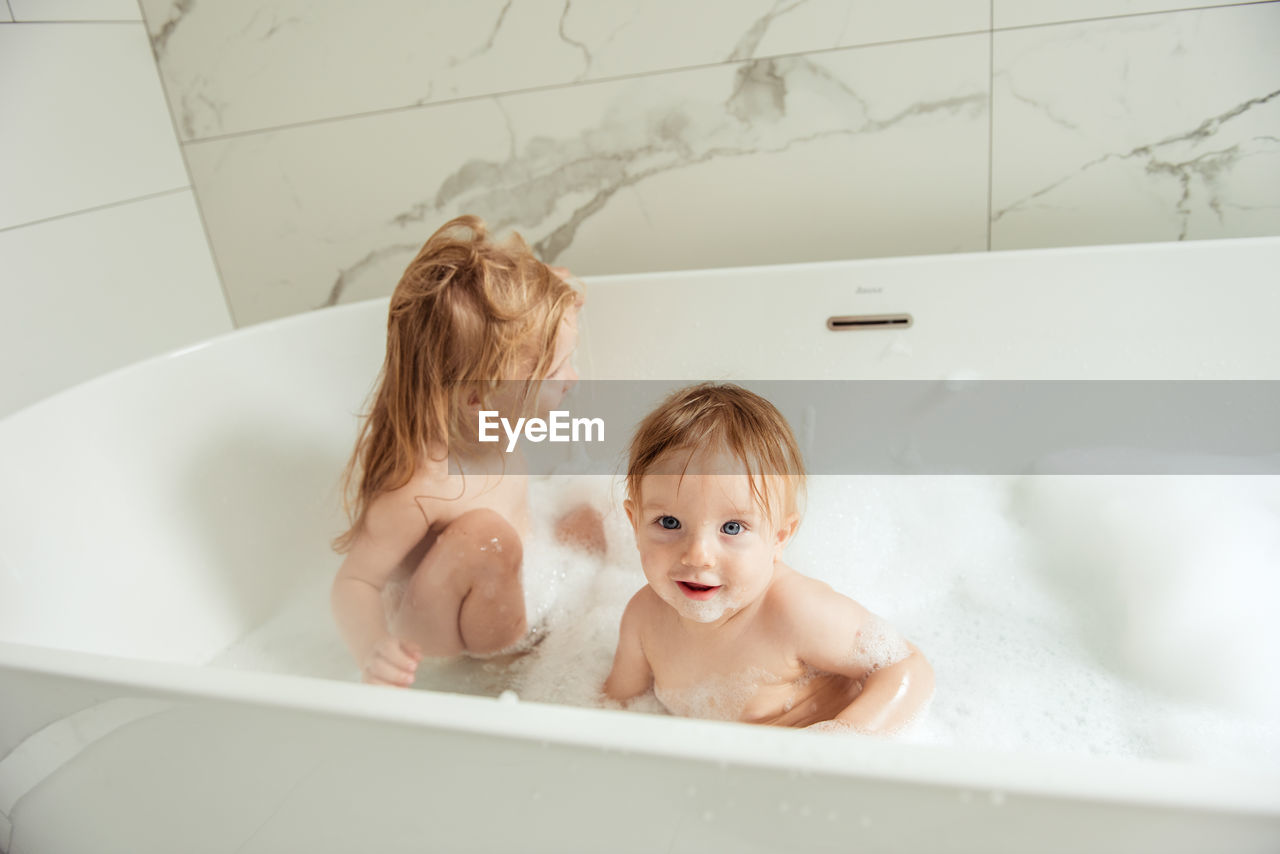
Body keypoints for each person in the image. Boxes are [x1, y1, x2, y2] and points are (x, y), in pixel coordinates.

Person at [331, 215, 601, 687]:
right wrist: (374, 650)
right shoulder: (421, 485)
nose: (572, 380)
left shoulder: (492, 416)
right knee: (485, 536)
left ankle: (550, 642)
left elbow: (538, 298)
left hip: (516, 586)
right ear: (478, 397)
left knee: (593, 517)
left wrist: (546, 296)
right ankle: (505, 679)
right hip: (439, 639)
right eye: (557, 373)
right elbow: (353, 584)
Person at [604, 383, 934, 732]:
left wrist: (842, 740)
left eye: (732, 528)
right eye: (669, 523)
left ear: (779, 537)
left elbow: (907, 668)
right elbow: (614, 708)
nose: (698, 556)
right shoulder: (642, 619)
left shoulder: (794, 611)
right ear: (634, 523)